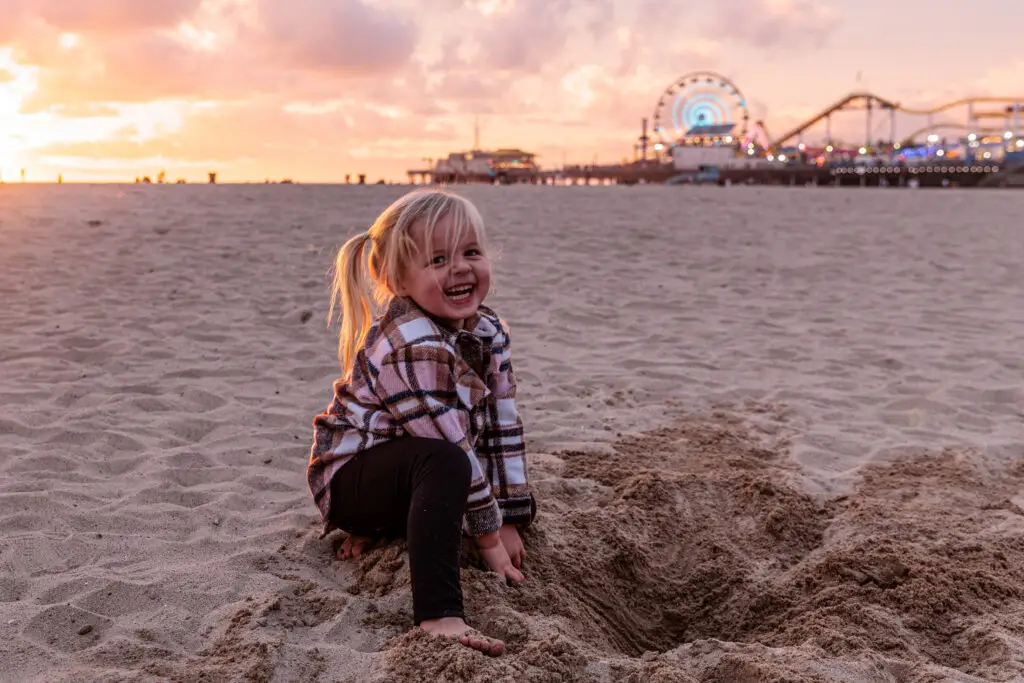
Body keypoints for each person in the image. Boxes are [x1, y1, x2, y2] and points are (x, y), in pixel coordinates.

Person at [307, 188, 536, 657]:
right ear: (397, 280)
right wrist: (489, 538)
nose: (460, 268)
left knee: (454, 466)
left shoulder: (487, 330)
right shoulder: (412, 344)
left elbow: (500, 422)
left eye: (471, 252)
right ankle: (438, 617)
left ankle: (395, 526)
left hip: (412, 471)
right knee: (447, 462)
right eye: (437, 260)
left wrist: (511, 515)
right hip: (353, 480)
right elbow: (448, 441)